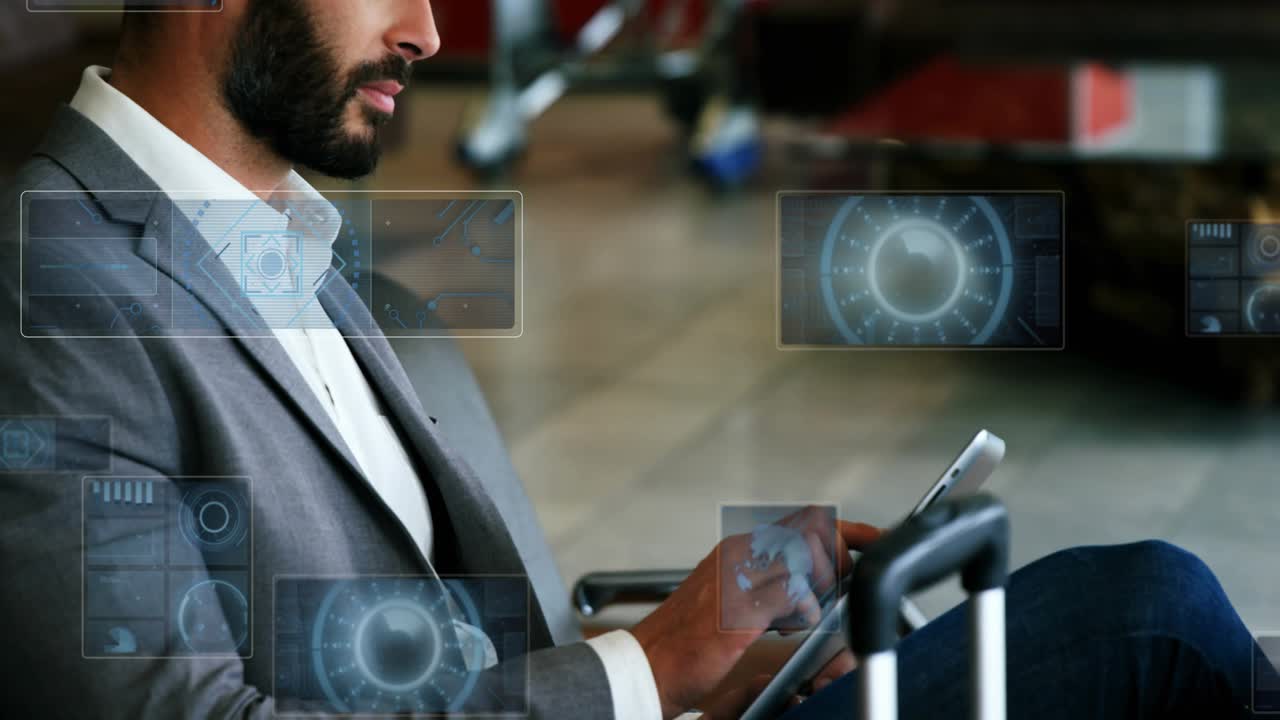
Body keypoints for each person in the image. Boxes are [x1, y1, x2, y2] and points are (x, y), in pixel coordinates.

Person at [0, 1, 1260, 718]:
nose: (430, 31)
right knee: (1149, 622)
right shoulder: (47, 288)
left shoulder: (291, 247)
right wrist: (642, 672)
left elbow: (453, 646)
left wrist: (710, 662)